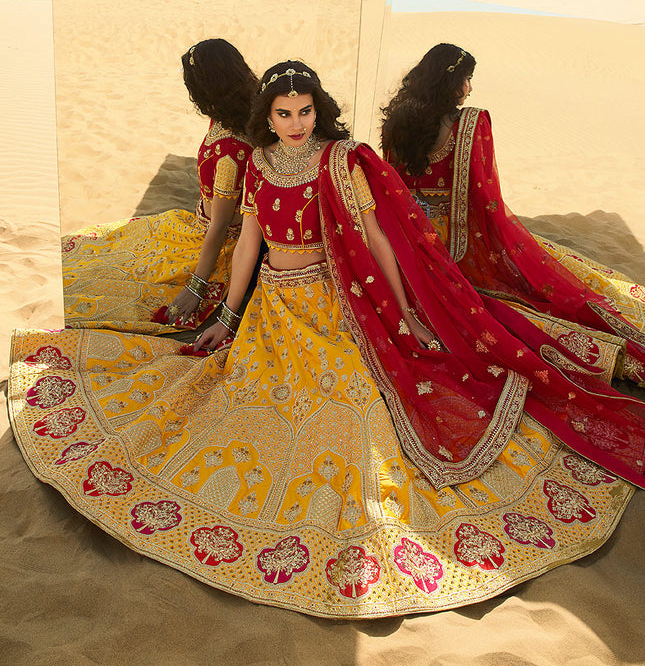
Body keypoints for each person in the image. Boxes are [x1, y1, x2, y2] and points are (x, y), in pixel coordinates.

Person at [9, 62, 645, 618]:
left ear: (320, 110)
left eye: (305, 111)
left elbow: (377, 242)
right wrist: (228, 317)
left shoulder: (340, 162)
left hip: (332, 302)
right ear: (268, 114)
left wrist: (402, 312)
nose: (295, 123)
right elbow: (250, 245)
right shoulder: (256, 163)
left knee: (360, 416)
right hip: (271, 314)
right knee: (234, 404)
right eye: (283, 112)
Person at [381, 42, 645, 386]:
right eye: (467, 78)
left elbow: (391, 186)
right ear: (451, 83)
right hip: (455, 249)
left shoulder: (397, 124)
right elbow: (486, 200)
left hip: (409, 243)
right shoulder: (472, 123)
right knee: (529, 280)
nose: (470, 88)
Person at [62, 38, 257, 334]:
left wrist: (197, 287)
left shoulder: (230, 149)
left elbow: (219, 225)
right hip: (196, 224)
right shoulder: (239, 112)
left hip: (216, 243)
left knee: (117, 280)